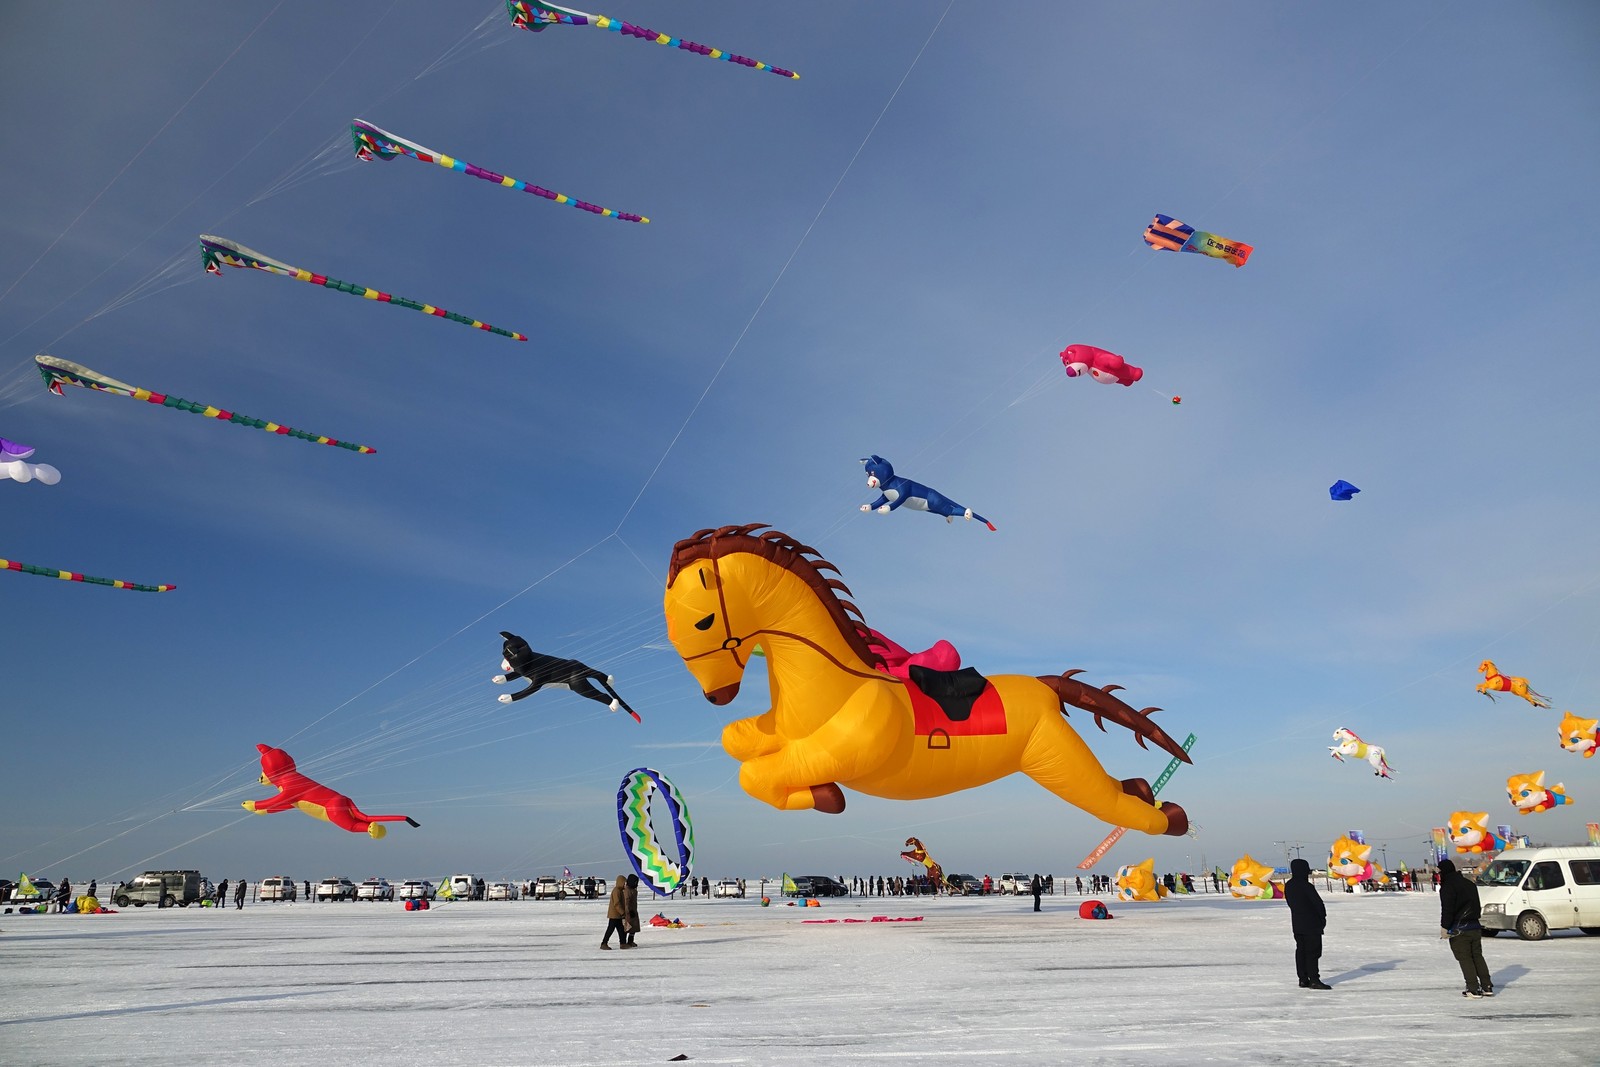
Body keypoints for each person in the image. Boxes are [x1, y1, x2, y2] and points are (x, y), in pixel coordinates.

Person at [1438, 859, 1492, 998]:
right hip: (1475, 926)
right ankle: (1486, 985)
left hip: (1459, 928)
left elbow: (1448, 909)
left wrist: (1445, 927)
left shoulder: (1448, 886)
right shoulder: (1469, 884)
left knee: (1465, 958)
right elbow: (1476, 905)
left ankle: (1473, 988)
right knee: (1477, 956)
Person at [1284, 858, 1330, 989]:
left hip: (1297, 924)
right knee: (1313, 952)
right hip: (1312, 924)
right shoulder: (1306, 886)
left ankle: (1303, 979)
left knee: (1301, 951)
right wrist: (1322, 919)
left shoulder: (1289, 885)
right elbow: (1318, 904)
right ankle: (1314, 979)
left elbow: (1290, 904)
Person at [601, 876, 628, 950]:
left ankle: (623, 943)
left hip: (618, 915)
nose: (625, 885)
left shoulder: (620, 891)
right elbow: (617, 903)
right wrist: (622, 912)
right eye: (624, 883)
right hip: (614, 914)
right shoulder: (616, 891)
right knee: (610, 929)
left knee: (621, 929)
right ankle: (604, 943)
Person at [623, 874, 642, 948]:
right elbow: (626, 902)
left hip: (633, 910)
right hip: (628, 912)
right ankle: (624, 942)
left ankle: (630, 941)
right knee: (627, 927)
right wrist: (628, 911)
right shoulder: (627, 891)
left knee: (634, 927)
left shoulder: (633, 890)